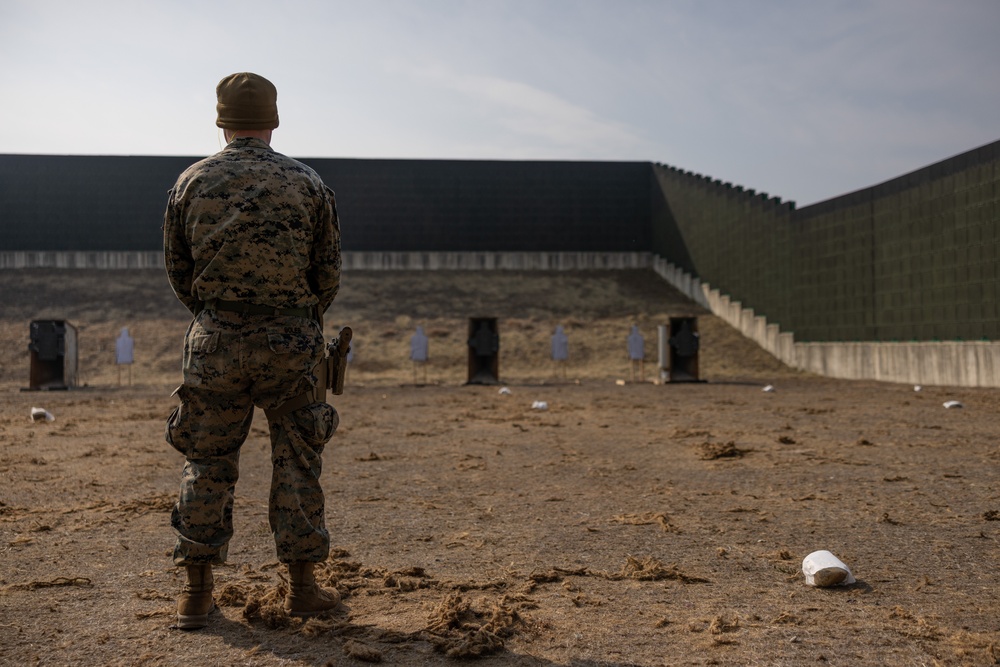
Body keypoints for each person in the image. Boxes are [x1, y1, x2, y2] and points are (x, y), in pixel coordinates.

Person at [162, 72, 343, 630]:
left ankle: (196, 595)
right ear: (273, 119)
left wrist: (218, 316)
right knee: (297, 461)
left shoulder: (190, 182)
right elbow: (328, 272)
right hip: (291, 342)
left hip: (215, 341)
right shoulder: (308, 182)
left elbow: (179, 271)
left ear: (220, 120)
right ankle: (304, 590)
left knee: (207, 462)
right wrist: (297, 317)